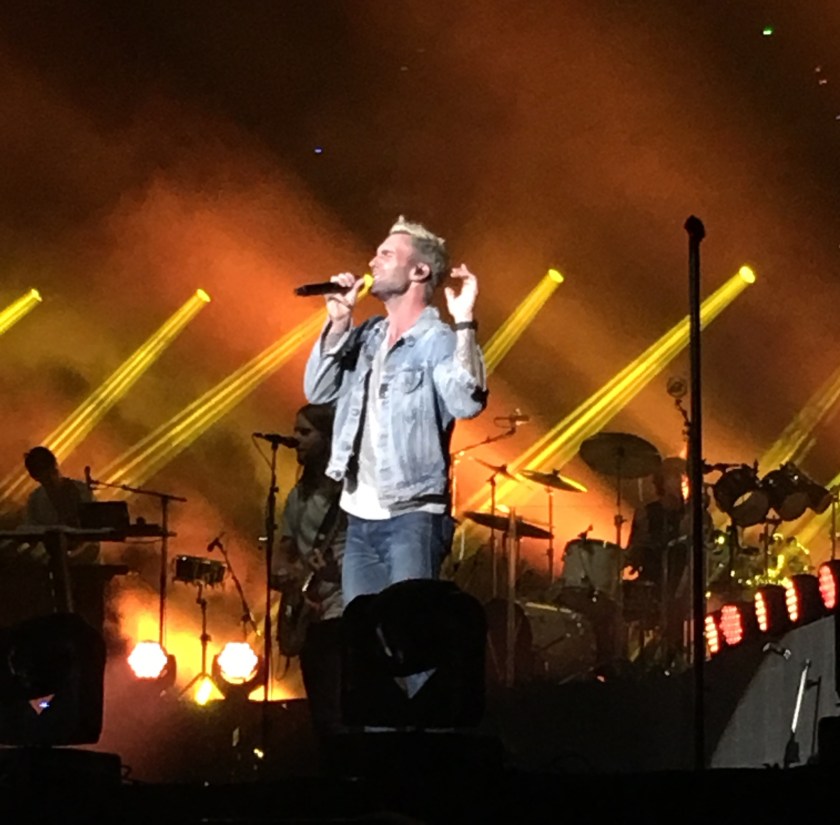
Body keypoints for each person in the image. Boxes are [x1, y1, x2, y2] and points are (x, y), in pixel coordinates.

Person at [303, 216, 488, 608]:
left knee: (409, 645)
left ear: (419, 270)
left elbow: (467, 402)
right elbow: (317, 390)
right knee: (364, 643)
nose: (372, 262)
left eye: (386, 254)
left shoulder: (437, 341)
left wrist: (465, 322)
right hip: (358, 517)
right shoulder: (368, 335)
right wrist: (337, 323)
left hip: (412, 517)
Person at [271, 402, 347, 740]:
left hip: (340, 610)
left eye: (305, 432)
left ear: (328, 439)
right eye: (295, 431)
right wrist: (283, 574)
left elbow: (366, 552)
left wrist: (333, 573)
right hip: (306, 614)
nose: (295, 439)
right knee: (319, 714)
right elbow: (286, 546)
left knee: (338, 708)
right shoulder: (297, 495)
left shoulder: (348, 495)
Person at [625, 456, 692, 668]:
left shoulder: (690, 515)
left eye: (683, 479)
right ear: (663, 481)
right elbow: (634, 552)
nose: (681, 484)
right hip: (652, 581)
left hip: (680, 582)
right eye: (676, 478)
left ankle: (672, 656)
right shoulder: (647, 512)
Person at [18, 445, 99, 565]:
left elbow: (95, 533)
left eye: (52, 473)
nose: (51, 479)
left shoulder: (83, 492)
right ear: (35, 477)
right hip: (53, 565)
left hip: (87, 561)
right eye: (44, 476)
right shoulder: (35, 500)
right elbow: (32, 534)